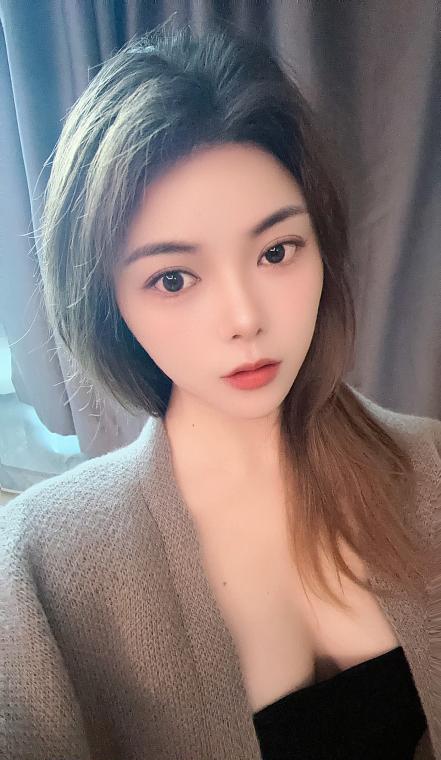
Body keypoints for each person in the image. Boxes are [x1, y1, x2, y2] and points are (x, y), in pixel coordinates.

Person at [1, 15, 439, 760]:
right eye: (174, 278)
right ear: (109, 303)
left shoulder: (430, 467)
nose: (244, 318)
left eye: (277, 251)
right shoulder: (40, 568)